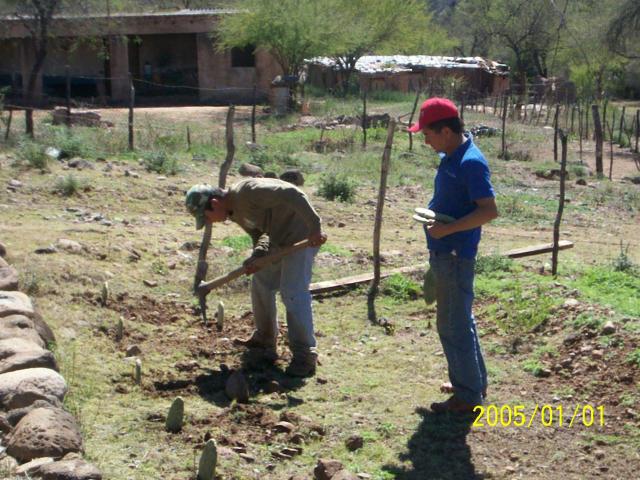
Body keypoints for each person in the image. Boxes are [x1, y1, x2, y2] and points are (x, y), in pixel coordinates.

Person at [408, 97, 498, 413]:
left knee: (452, 325)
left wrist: (446, 231)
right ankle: (471, 382)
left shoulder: (470, 162)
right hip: (448, 253)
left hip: (456, 255)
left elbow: (489, 211)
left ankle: (467, 397)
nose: (426, 140)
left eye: (428, 135)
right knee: (461, 320)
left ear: (445, 131)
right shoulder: (452, 156)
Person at [185, 178, 327, 377]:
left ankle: (305, 355)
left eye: (206, 217)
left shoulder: (248, 193)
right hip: (279, 238)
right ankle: (265, 339)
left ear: (215, 204)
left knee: (292, 292)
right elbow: (259, 233)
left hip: (303, 234)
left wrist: (314, 227)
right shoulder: (233, 212)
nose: (209, 222)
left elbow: (292, 194)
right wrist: (258, 255)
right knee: (261, 281)